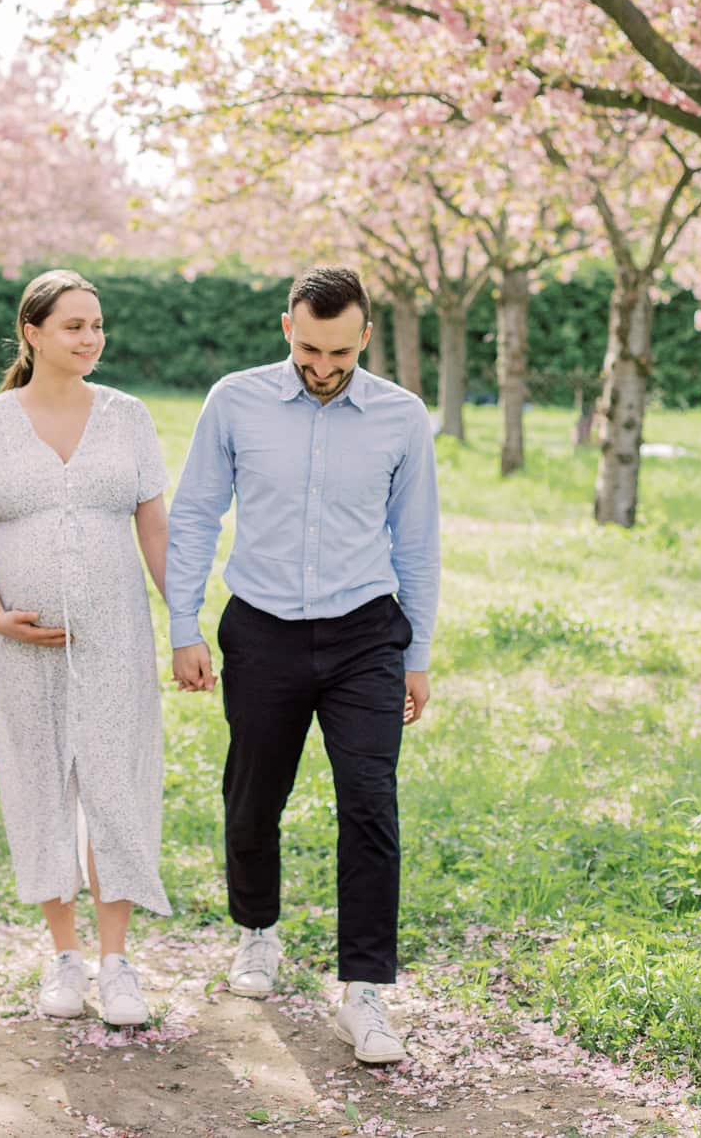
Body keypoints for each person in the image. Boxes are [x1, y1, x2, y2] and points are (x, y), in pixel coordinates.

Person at [166, 266, 440, 1065]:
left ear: (364, 335)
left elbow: (416, 538)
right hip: (262, 628)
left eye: (339, 351)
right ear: (287, 326)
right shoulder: (235, 400)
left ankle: (366, 990)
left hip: (365, 634)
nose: (322, 365)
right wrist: (184, 625)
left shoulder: (401, 416)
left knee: (369, 802)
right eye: (309, 347)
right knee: (253, 795)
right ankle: (258, 933)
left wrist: (417, 651)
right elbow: (194, 513)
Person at [0, 268, 170, 1027]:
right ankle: (64, 957)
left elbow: (155, 530)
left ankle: (118, 963)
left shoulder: (129, 416)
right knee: (40, 782)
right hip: (23, 644)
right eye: (74, 325)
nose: (91, 338)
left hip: (118, 638)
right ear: (32, 332)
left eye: (98, 324)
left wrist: (189, 623)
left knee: (117, 784)